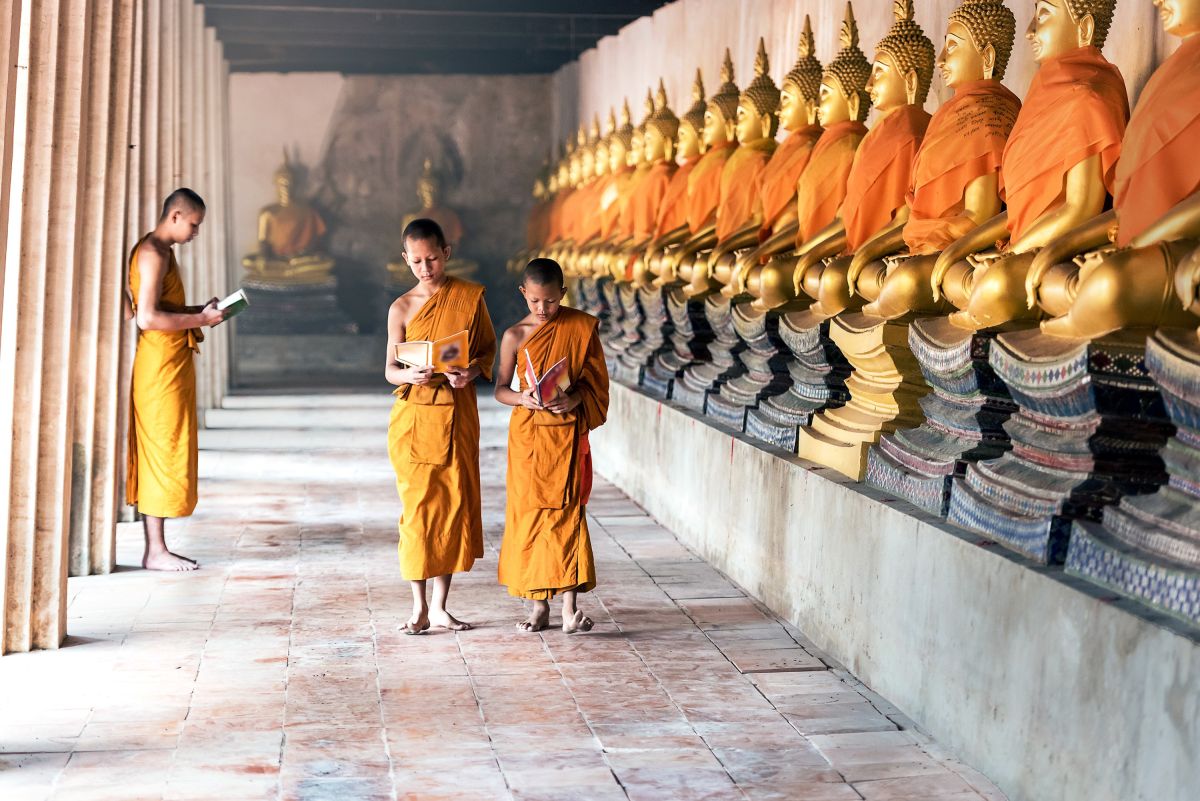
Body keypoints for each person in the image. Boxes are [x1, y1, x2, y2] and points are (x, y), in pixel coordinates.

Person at [385, 218, 496, 634]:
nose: (425, 268)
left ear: (446, 253)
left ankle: (440, 606)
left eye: (432, 259)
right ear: (405, 259)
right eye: (416, 261)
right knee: (418, 511)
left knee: (450, 507)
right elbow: (390, 369)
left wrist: (470, 372)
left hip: (457, 412)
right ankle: (418, 607)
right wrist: (409, 375)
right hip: (415, 419)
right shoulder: (401, 307)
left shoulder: (469, 297)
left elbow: (486, 352)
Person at [494, 258, 610, 633]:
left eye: (550, 301)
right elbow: (500, 390)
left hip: (564, 433)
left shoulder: (580, 328)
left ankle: (569, 610)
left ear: (562, 293)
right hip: (528, 437)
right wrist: (522, 398)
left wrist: (573, 399)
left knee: (566, 515)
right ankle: (538, 606)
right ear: (523, 293)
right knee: (529, 518)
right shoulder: (514, 336)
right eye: (535, 301)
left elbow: (595, 385)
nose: (543, 309)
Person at [127, 188, 225, 571]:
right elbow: (147, 317)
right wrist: (200, 319)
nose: (196, 233)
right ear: (175, 216)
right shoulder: (153, 252)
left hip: (170, 361)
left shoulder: (164, 251)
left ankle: (158, 547)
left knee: (169, 445)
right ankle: (155, 550)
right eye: (194, 225)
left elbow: (163, 308)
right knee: (161, 448)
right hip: (158, 366)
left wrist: (201, 311)